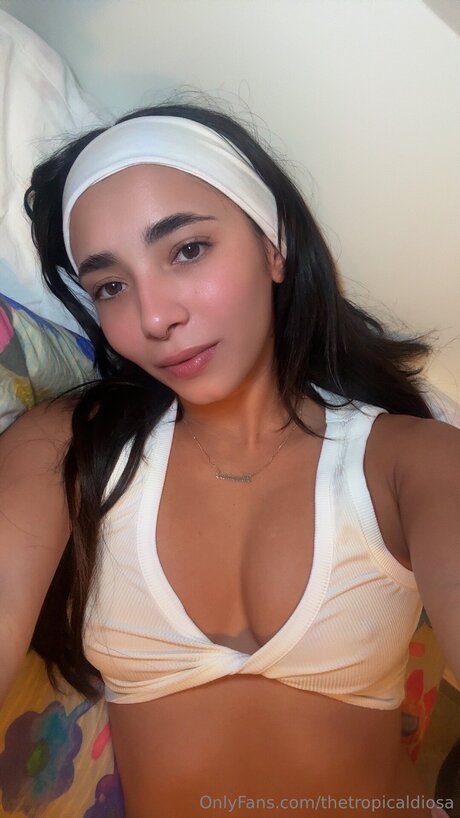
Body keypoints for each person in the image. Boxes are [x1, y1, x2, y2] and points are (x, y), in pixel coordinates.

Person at [0, 100, 458, 818]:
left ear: (274, 248)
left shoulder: (409, 463)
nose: (155, 317)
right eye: (111, 286)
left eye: (187, 250)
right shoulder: (63, 448)